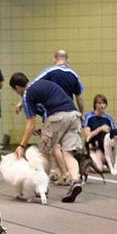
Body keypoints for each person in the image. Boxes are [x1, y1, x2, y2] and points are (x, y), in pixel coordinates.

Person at [9, 73, 83, 203]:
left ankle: (43, 187)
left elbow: (31, 123)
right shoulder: (41, 83)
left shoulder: (27, 94)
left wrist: (21, 146)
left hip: (57, 116)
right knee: (68, 153)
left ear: (17, 87)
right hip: (74, 115)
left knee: (43, 153)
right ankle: (75, 180)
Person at [31, 49, 84, 185]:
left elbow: (33, 86)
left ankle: (60, 175)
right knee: (67, 151)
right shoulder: (73, 75)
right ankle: (71, 177)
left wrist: (24, 101)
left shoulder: (50, 71)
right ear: (67, 59)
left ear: (55, 58)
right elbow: (79, 97)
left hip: (54, 113)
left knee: (52, 146)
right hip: (72, 113)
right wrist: (82, 114)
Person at [82, 94, 117, 175]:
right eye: (99, 103)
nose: (102, 106)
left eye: (104, 103)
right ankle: (89, 161)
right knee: (99, 168)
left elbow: (113, 134)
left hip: (106, 147)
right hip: (95, 147)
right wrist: (100, 129)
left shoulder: (109, 118)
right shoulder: (89, 116)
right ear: (95, 105)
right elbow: (87, 136)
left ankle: (104, 161)